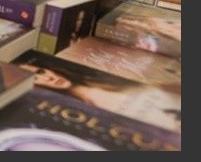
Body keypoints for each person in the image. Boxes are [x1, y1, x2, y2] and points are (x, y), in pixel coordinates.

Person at [17, 57, 181, 132]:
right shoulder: (77, 115)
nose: (48, 78)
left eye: (41, 71)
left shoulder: (112, 79)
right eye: (36, 79)